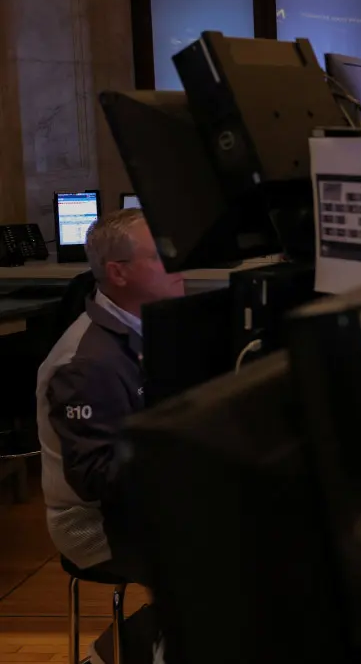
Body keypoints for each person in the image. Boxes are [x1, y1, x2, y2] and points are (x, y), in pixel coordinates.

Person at [35, 210, 183, 662]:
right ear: (118, 272)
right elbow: (98, 477)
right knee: (235, 553)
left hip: (134, 505)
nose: (178, 266)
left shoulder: (149, 327)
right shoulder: (86, 364)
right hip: (92, 527)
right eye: (162, 258)